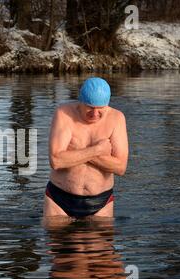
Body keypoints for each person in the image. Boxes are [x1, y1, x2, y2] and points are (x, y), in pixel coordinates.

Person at [43, 77, 129, 219]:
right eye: (89, 107)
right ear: (80, 102)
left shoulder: (116, 118)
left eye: (100, 109)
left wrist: (76, 153)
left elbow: (120, 167)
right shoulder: (64, 114)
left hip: (100, 203)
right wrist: (97, 150)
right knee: (56, 239)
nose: (95, 114)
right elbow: (56, 161)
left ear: (107, 105)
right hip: (58, 200)